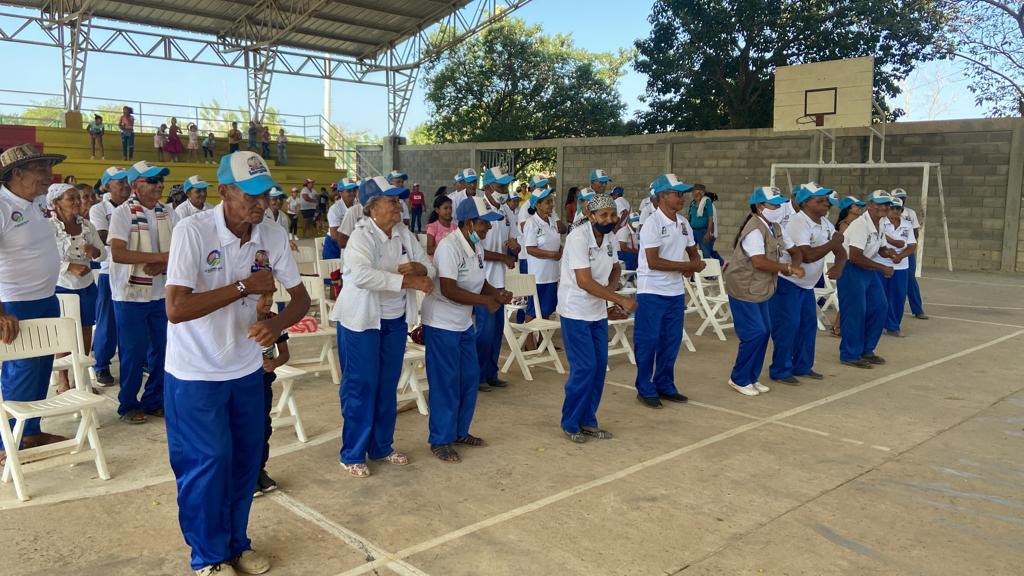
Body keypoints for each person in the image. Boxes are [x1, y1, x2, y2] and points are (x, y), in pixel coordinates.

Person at [164, 150, 309, 575]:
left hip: (245, 368)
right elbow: (176, 308)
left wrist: (276, 325)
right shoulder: (192, 231)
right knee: (207, 463)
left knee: (246, 459)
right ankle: (208, 557)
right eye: (250, 195)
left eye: (265, 195)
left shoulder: (272, 233)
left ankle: (237, 543)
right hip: (196, 372)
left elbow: (300, 298)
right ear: (223, 191)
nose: (261, 204)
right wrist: (244, 286)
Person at [330, 176, 432, 477]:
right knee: (361, 386)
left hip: (394, 319)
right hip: (361, 322)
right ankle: (352, 453)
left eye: (398, 200)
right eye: (391, 201)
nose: (398, 206)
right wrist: (408, 280)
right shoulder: (361, 237)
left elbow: (428, 266)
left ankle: (381, 446)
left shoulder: (403, 233)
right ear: (372, 207)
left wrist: (420, 268)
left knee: (387, 385)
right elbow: (362, 276)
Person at [421, 196, 511, 463]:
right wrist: (485, 302)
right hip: (441, 323)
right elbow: (449, 289)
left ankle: (459, 431)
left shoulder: (476, 247)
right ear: (470, 223)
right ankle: (441, 439)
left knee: (469, 378)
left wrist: (497, 293)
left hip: (462, 324)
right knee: (446, 382)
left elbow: (479, 282)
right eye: (485, 223)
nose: (489, 228)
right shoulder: (449, 247)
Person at [0, 144, 68, 462]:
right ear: (17, 173)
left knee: (41, 369)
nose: (48, 174)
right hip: (15, 303)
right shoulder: (2, 206)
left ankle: (30, 432)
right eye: (40, 168)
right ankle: (6, 444)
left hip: (46, 298)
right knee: (21, 371)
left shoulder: (38, 202)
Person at [558, 194, 636, 442]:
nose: (609, 219)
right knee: (584, 367)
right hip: (575, 310)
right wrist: (618, 299)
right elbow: (584, 281)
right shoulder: (578, 238)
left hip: (597, 311)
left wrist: (609, 294)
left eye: (612, 215)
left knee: (599, 366)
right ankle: (571, 422)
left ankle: (588, 420)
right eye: (603, 215)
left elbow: (616, 267)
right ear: (591, 216)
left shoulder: (610, 237)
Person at [108, 160, 179, 424]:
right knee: (133, 352)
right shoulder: (122, 213)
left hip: (161, 292)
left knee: (163, 349)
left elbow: (181, 250)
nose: (159, 185)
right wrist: (161, 257)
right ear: (136, 185)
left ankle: (154, 400)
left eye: (161, 181)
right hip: (130, 294)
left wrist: (161, 263)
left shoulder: (169, 212)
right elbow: (119, 253)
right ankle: (128, 404)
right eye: (152, 181)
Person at [724, 186, 806, 396]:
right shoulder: (754, 229)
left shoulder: (774, 227)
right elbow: (759, 262)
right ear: (760, 206)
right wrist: (788, 268)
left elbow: (794, 250)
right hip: (744, 288)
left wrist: (795, 263)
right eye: (773, 205)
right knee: (755, 333)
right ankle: (739, 378)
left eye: (779, 205)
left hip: (761, 288)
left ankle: (751, 377)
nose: (778, 209)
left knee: (764, 331)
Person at [634, 174, 705, 408]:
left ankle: (665, 384)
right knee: (648, 340)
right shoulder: (652, 223)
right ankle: (644, 386)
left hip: (674, 292)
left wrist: (695, 263)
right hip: (652, 291)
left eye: (682, 194)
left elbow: (693, 250)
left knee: (671, 340)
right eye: (677, 194)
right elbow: (653, 261)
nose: (682, 198)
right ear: (663, 196)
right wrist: (686, 267)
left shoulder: (683, 223)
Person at [769, 183, 847, 386]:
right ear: (805, 203)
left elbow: (841, 251)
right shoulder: (798, 223)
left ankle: (802, 366)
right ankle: (780, 370)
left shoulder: (825, 223)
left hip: (806, 285)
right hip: (788, 283)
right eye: (820, 200)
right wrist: (833, 242)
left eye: (826, 200)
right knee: (788, 327)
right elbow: (807, 256)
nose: (826, 204)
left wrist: (839, 266)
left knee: (807, 325)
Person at [47, 183, 105, 394]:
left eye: (78, 198)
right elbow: (44, 258)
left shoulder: (87, 226)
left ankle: (80, 379)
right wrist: (69, 267)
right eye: (71, 199)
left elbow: (104, 254)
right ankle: (63, 380)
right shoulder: (49, 228)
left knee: (86, 331)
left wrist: (95, 251)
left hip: (86, 286)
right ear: (56, 203)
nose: (78, 202)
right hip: (61, 287)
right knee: (64, 333)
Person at [838, 190, 895, 369]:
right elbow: (855, 256)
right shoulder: (860, 225)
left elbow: (880, 248)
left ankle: (866, 350)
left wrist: (888, 252)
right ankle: (850, 354)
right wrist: (882, 267)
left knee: (880, 307)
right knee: (855, 312)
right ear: (870, 205)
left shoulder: (881, 224)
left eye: (886, 204)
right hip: (851, 269)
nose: (883, 207)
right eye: (879, 203)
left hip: (867, 270)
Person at [477, 167, 520, 390]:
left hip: (500, 281)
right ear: (488, 186)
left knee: (496, 332)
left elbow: (514, 243)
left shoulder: (506, 212)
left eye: (506, 186)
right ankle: (478, 376)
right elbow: (475, 250)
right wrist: (503, 257)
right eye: (501, 186)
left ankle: (491, 373)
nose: (504, 190)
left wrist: (514, 249)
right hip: (482, 282)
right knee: (484, 331)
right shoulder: (478, 209)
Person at [89, 166, 131, 386]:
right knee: (107, 320)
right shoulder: (98, 209)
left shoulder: (135, 206)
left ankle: (137, 360)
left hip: (134, 268)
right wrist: (134, 238)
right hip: (109, 269)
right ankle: (102, 364)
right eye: (120, 182)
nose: (126, 185)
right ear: (107, 186)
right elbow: (105, 236)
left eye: (127, 181)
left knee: (133, 319)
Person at [253, 292, 287, 498]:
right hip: (242, 384)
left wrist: (274, 363)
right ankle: (245, 475)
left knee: (263, 428)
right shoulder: (240, 322)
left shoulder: (275, 320)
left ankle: (259, 470)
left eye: (271, 296)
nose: (268, 301)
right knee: (243, 429)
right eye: (262, 296)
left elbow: (284, 354)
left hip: (264, 383)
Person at [877, 197, 917, 337]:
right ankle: (878, 324)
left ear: (902, 210)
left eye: (898, 208)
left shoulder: (907, 224)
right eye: (892, 208)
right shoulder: (880, 222)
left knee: (898, 297)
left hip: (901, 266)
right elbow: (879, 239)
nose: (895, 211)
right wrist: (893, 243)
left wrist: (901, 256)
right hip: (881, 263)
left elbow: (912, 245)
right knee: (880, 296)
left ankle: (893, 326)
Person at [522, 186, 562, 323]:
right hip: (539, 276)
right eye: (548, 202)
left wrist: (561, 250)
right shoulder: (531, 223)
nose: (552, 205)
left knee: (547, 310)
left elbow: (556, 242)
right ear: (537, 205)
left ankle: (542, 337)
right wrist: (552, 255)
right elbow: (530, 249)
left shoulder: (552, 222)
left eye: (552, 201)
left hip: (552, 274)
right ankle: (529, 337)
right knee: (533, 310)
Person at [891, 188, 927, 320]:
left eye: (903, 197)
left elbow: (915, 232)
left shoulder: (910, 213)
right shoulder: (886, 213)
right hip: (889, 253)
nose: (901, 199)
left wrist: (906, 244)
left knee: (910, 279)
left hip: (906, 252)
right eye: (898, 197)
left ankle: (917, 309)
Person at [325, 177, 358, 259]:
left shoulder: (358, 205)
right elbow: (334, 235)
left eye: (354, 190)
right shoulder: (335, 209)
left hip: (351, 242)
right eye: (349, 191)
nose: (352, 193)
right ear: (340, 192)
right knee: (334, 266)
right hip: (334, 245)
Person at [688, 184, 715, 258]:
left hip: (703, 232)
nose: (693, 193)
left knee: (705, 253)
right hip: (692, 231)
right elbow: (689, 217)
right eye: (693, 191)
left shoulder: (707, 202)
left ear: (701, 192)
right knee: (691, 252)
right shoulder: (692, 203)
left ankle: (706, 265)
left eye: (694, 191)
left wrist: (708, 233)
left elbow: (710, 218)